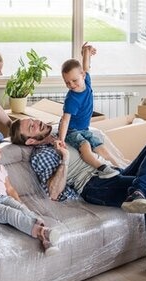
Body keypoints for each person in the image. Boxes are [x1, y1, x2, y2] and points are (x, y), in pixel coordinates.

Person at [9, 119, 146, 281]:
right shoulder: (41, 155)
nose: (37, 122)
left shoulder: (62, 132)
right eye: (31, 127)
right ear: (31, 141)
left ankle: (138, 190)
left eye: (34, 120)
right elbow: (54, 193)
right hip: (94, 185)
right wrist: (65, 159)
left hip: (113, 173)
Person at [57, 42, 119, 179]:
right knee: (85, 145)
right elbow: (65, 121)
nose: (71, 85)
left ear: (83, 76)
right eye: (67, 82)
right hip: (72, 131)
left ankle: (118, 167)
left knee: (99, 145)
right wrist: (61, 139)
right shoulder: (72, 99)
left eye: (74, 80)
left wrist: (86, 52)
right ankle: (102, 168)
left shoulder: (87, 80)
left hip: (84, 129)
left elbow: (86, 66)